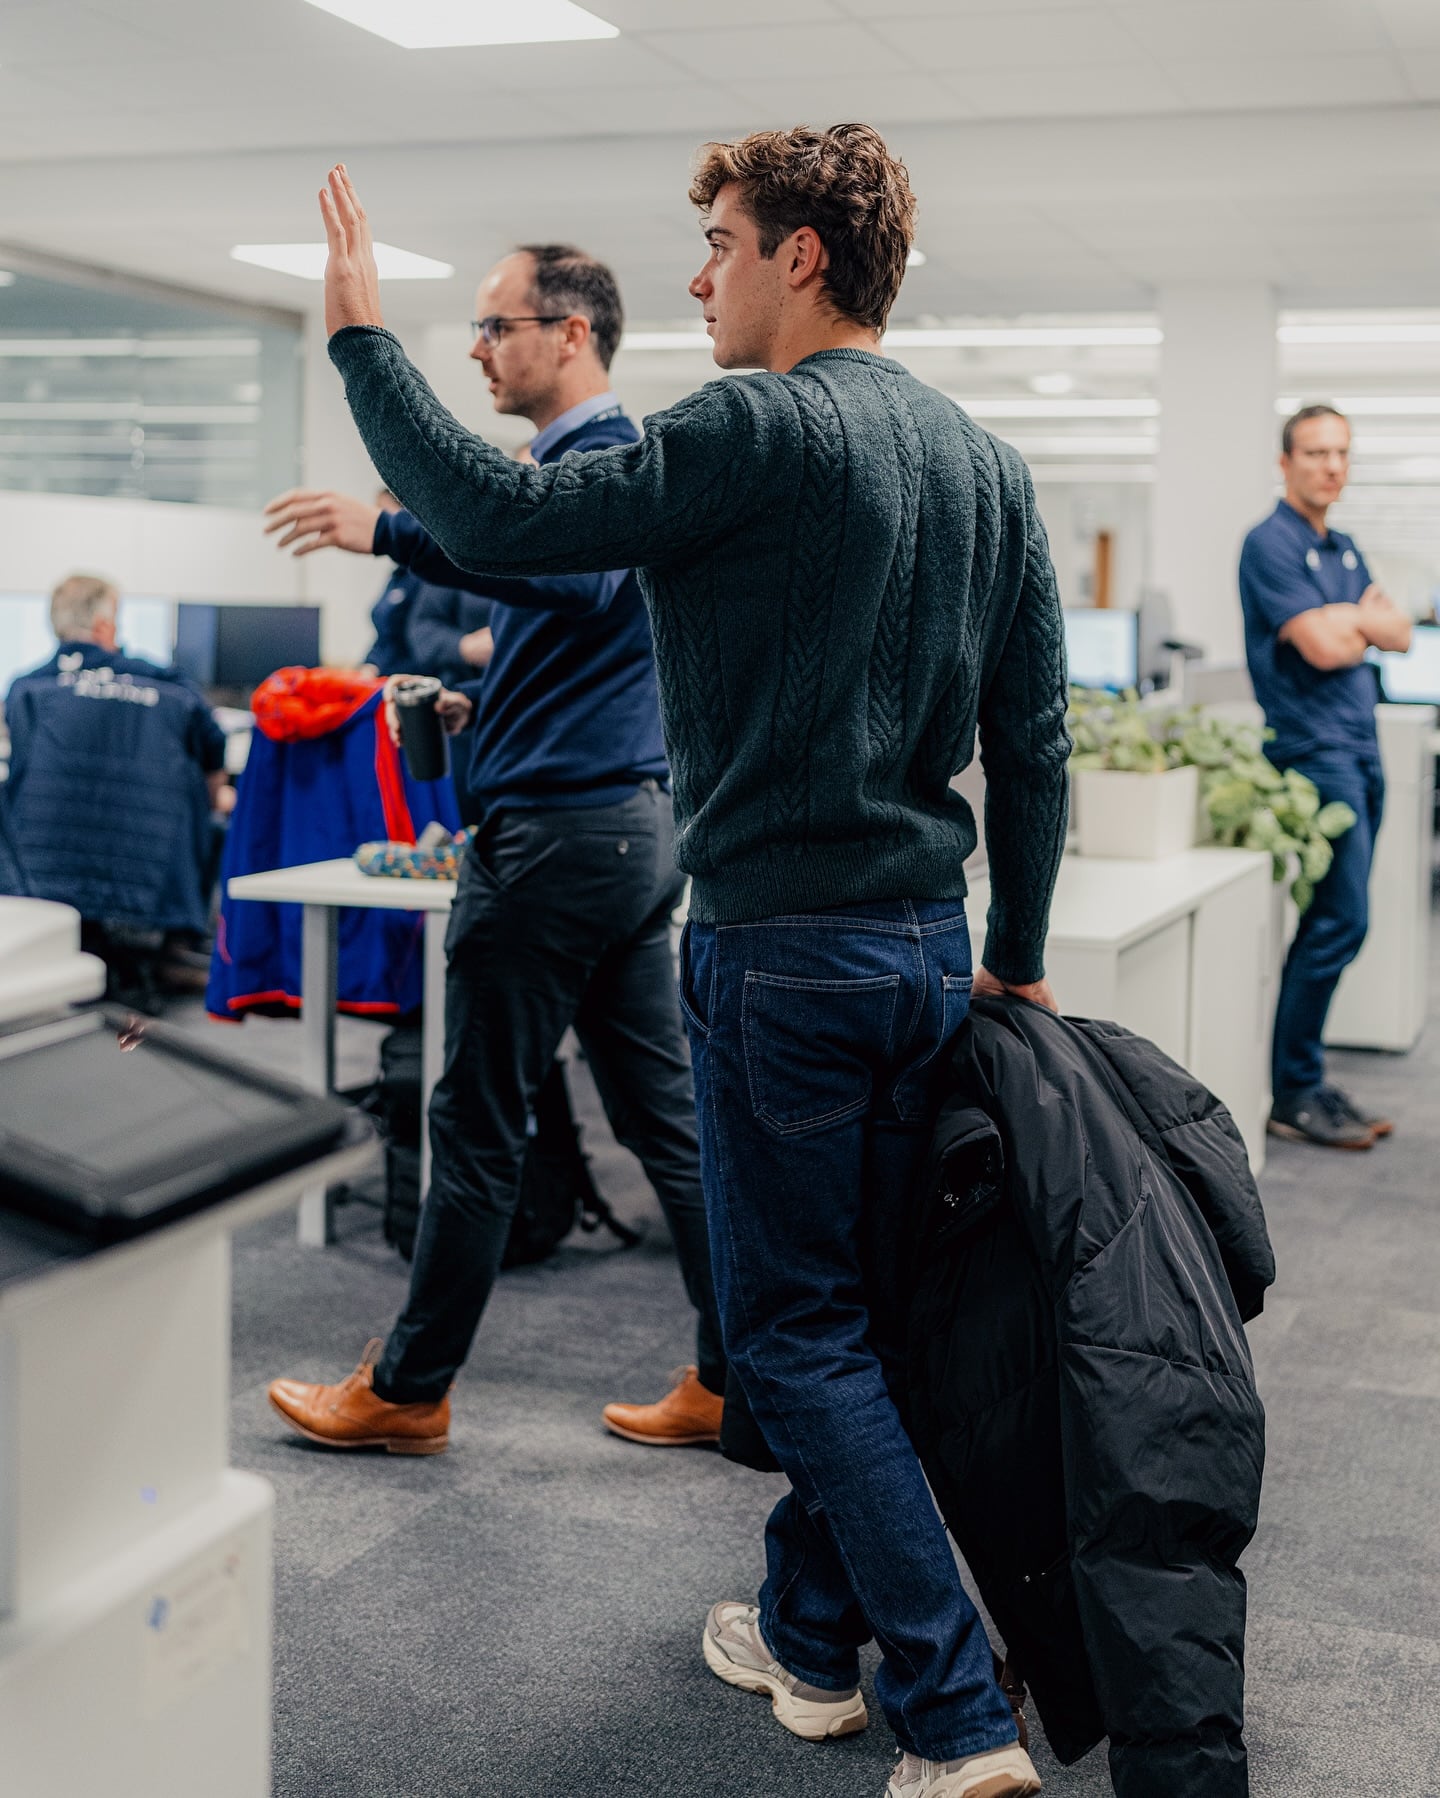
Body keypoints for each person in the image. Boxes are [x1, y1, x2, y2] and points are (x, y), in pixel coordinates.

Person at [309, 126, 1066, 1798]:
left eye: (720, 242)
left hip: (781, 947)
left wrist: (363, 332)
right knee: (862, 1311)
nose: (701, 276)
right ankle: (808, 1640)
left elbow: (498, 505)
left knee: (794, 1334)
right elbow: (1038, 742)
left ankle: (953, 1719)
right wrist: (1013, 952)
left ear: (803, 256)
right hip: (929, 950)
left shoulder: (750, 427)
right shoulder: (988, 463)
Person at [262, 243, 728, 1457]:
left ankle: (408, 1388)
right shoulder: (582, 465)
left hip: (565, 842)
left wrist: (395, 530)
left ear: (570, 334)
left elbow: (566, 574)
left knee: (475, 1118)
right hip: (618, 829)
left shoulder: (604, 461)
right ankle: (739, 1371)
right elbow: (580, 629)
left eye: (494, 326)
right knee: (665, 1121)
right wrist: (491, 708)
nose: (477, 349)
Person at [1240, 404, 1412, 1150]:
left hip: (1362, 749)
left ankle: (1303, 1076)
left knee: (1339, 922)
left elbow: (1401, 631)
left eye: (1340, 453)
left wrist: (1361, 622)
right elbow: (1321, 648)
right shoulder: (1268, 543)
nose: (1331, 466)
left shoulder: (1344, 547)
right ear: (1286, 463)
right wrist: (1356, 624)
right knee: (1340, 920)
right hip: (1313, 754)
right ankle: (1294, 1088)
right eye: (1314, 453)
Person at [1, 573, 228, 994]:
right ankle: (176, 948)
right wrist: (215, 797)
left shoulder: (25, 690)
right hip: (153, 867)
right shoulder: (169, 686)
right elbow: (214, 749)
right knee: (218, 826)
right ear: (106, 626)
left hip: (47, 872)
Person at [363, 487, 491, 686]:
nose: (382, 525)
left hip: (421, 679)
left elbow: (416, 639)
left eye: (385, 514)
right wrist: (370, 666)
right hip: (391, 681)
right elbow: (391, 636)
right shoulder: (399, 576)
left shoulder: (431, 571)